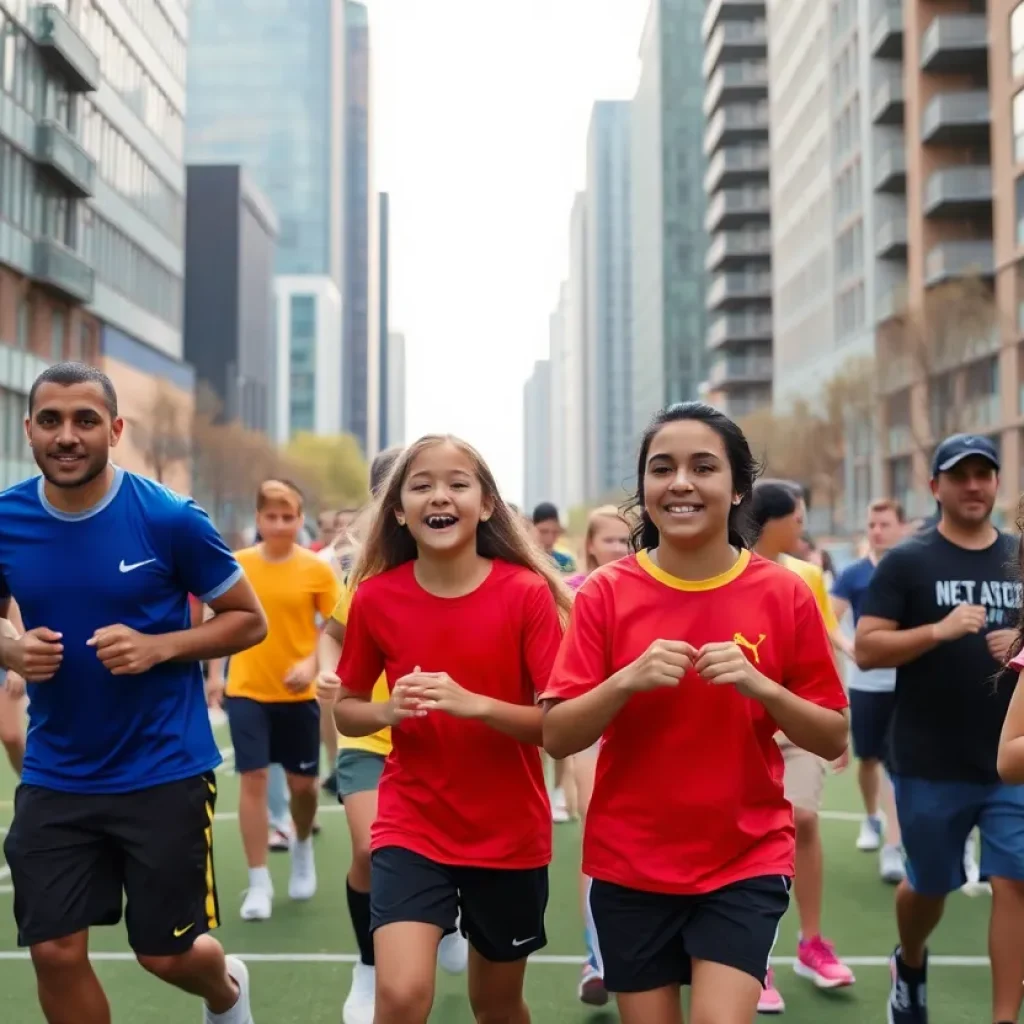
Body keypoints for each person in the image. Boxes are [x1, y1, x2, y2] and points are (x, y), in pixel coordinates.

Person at [540, 402, 848, 1024]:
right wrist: (626, 680)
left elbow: (831, 731)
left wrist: (764, 689)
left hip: (745, 858)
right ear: (646, 489)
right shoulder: (604, 592)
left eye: (702, 467)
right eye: (662, 468)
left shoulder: (784, 592)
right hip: (630, 863)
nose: (680, 482)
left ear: (737, 489)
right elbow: (556, 733)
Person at [0, 362, 267, 1024]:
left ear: (114, 430)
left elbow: (247, 618)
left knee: (167, 956)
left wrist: (161, 647)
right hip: (56, 770)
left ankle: (227, 994)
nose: (68, 435)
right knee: (55, 952)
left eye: (85, 420)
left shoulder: (168, 518)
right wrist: (7, 647)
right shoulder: (6, 519)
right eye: (52, 420)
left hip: (162, 767)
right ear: (28, 428)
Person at [318, 434, 568, 1024]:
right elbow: (347, 707)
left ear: (486, 505)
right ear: (399, 510)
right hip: (412, 823)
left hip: (508, 833)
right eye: (422, 484)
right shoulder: (375, 597)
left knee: (496, 1005)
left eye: (458, 483)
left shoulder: (528, 594)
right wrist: (387, 712)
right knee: (401, 997)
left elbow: (559, 730)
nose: (441, 495)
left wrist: (475, 704)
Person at [856, 433, 1024, 1024]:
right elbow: (867, 648)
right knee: (930, 885)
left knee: (1015, 884)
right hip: (929, 757)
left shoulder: (1019, 555)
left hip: (1012, 759)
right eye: (961, 475)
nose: (975, 485)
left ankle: (1005, 1016)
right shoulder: (910, 559)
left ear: (997, 482)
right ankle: (911, 960)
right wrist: (937, 631)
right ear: (935, 487)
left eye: (985, 474)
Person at [316, 446, 469, 1024]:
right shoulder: (368, 579)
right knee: (367, 847)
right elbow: (332, 633)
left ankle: (445, 919)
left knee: (448, 851)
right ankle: (367, 966)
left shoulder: (477, 572)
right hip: (371, 736)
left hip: (447, 743)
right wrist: (329, 671)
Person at [208, 479, 339, 922]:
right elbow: (223, 620)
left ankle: (301, 845)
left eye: (288, 517)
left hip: (298, 694)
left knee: (303, 788)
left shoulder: (317, 569)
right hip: (247, 690)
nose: (280, 525)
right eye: (271, 517)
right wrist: (214, 676)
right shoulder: (237, 565)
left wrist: (311, 663)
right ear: (258, 519)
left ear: (301, 520)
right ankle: (258, 879)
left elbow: (334, 627)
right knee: (253, 780)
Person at [748, 481, 855, 1012]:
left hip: (797, 728)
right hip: (740, 733)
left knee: (802, 819)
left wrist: (840, 723)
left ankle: (811, 943)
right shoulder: (725, 568)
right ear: (773, 520)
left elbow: (825, 650)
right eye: (798, 516)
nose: (803, 526)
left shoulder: (806, 574)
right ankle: (752, 957)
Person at [563, 505, 631, 1007]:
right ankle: (598, 958)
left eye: (630, 541)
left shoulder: (647, 584)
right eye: (612, 541)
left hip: (639, 729)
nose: (621, 550)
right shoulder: (570, 593)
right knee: (595, 826)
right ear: (590, 545)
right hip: (590, 725)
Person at [831, 498, 906, 883]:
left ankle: (894, 846)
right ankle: (872, 819)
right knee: (870, 760)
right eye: (872, 524)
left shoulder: (913, 569)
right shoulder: (855, 574)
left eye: (885, 524)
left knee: (898, 763)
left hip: (909, 683)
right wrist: (850, 648)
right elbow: (829, 618)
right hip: (867, 683)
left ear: (901, 528)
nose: (877, 531)